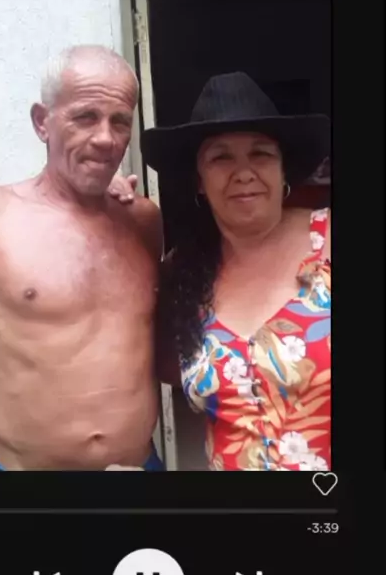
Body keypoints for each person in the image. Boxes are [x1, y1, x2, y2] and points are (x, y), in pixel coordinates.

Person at [0, 45, 163, 471]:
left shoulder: (143, 220)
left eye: (120, 121)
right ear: (42, 122)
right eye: (85, 117)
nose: (106, 138)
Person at [142, 72, 331, 471]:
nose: (243, 172)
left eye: (261, 154)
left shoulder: (330, 239)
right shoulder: (184, 274)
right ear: (199, 180)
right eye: (221, 157)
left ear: (283, 170)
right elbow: (167, 369)